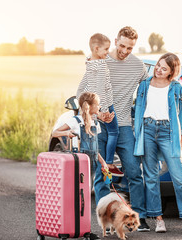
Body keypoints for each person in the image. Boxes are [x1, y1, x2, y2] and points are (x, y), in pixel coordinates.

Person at [76, 26, 151, 231]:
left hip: (124, 125)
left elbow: (153, 88)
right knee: (101, 174)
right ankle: (107, 221)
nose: (125, 51)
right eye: (122, 45)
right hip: (100, 126)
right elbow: (80, 93)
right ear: (116, 40)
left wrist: (180, 95)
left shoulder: (138, 66)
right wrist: (97, 113)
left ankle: (140, 217)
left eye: (130, 47)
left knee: (134, 172)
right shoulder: (100, 61)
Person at [133, 53, 182, 235]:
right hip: (147, 129)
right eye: (158, 66)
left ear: (171, 72)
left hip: (168, 132)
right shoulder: (144, 84)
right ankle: (158, 220)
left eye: (164, 68)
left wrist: (181, 134)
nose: (158, 70)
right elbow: (138, 108)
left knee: (180, 177)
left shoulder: (176, 87)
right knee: (151, 178)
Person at [52, 92, 107, 240]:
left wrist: (103, 163)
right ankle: (70, 226)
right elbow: (55, 132)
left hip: (92, 162)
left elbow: (96, 149)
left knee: (86, 197)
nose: (100, 106)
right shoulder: (75, 121)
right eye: (98, 104)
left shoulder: (96, 124)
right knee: (77, 195)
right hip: (80, 163)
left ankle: (84, 229)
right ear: (89, 106)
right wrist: (68, 132)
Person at [76, 33, 123, 177]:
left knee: (101, 135)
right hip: (106, 104)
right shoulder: (101, 66)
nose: (108, 52)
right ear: (96, 49)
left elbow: (81, 88)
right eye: (106, 49)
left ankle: (102, 163)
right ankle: (108, 162)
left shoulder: (89, 63)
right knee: (114, 132)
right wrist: (102, 111)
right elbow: (101, 89)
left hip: (95, 106)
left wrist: (84, 103)